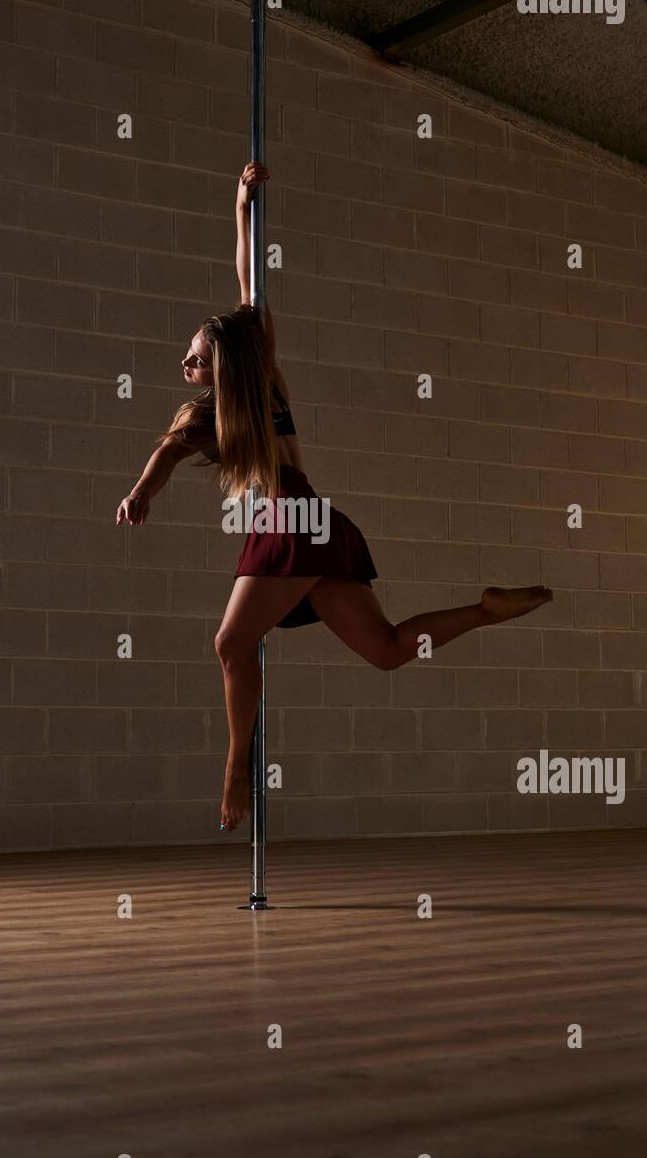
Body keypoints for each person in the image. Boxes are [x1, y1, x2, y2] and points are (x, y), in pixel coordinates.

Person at [117, 163, 553, 831]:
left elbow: (171, 444)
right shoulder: (267, 384)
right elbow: (248, 288)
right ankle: (485, 610)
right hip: (322, 521)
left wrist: (142, 491)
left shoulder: (227, 405)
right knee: (385, 649)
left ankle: (237, 770)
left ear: (222, 367)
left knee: (231, 646)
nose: (186, 366)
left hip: (289, 521)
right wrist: (241, 210)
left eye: (196, 359)